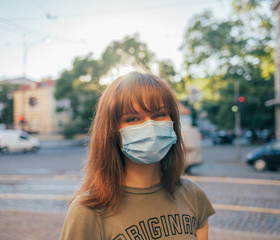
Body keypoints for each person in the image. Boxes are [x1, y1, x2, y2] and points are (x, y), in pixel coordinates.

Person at [60, 71, 215, 240]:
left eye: (159, 115)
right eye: (133, 118)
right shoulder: (87, 211)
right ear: (111, 131)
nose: (150, 126)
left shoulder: (193, 195)